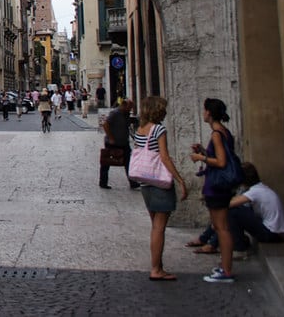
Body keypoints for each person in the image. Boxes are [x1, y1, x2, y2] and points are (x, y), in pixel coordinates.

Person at [134, 96, 188, 281]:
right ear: (157, 110)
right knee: (159, 228)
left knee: (155, 227)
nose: (165, 111)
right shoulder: (159, 129)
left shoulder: (140, 129)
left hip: (145, 183)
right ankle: (156, 268)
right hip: (159, 182)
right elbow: (164, 157)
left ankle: (158, 265)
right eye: (163, 108)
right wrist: (180, 179)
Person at [186, 162, 284, 255]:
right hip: (273, 231)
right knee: (229, 213)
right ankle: (207, 240)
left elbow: (228, 204)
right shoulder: (259, 188)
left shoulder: (255, 192)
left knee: (231, 212)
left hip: (272, 234)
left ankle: (222, 244)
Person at [189, 97, 239, 283]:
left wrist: (200, 158)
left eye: (204, 110)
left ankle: (226, 271)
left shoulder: (217, 134)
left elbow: (221, 162)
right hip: (221, 187)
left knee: (222, 228)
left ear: (209, 113)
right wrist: (204, 151)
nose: (203, 113)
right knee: (221, 227)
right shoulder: (224, 132)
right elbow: (220, 156)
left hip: (216, 187)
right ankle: (224, 267)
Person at [100, 99, 137, 189]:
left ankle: (133, 182)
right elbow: (105, 124)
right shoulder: (115, 113)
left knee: (128, 162)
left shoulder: (126, 114)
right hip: (112, 142)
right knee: (106, 162)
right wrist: (111, 137)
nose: (130, 110)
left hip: (123, 142)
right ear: (124, 105)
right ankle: (103, 182)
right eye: (129, 107)